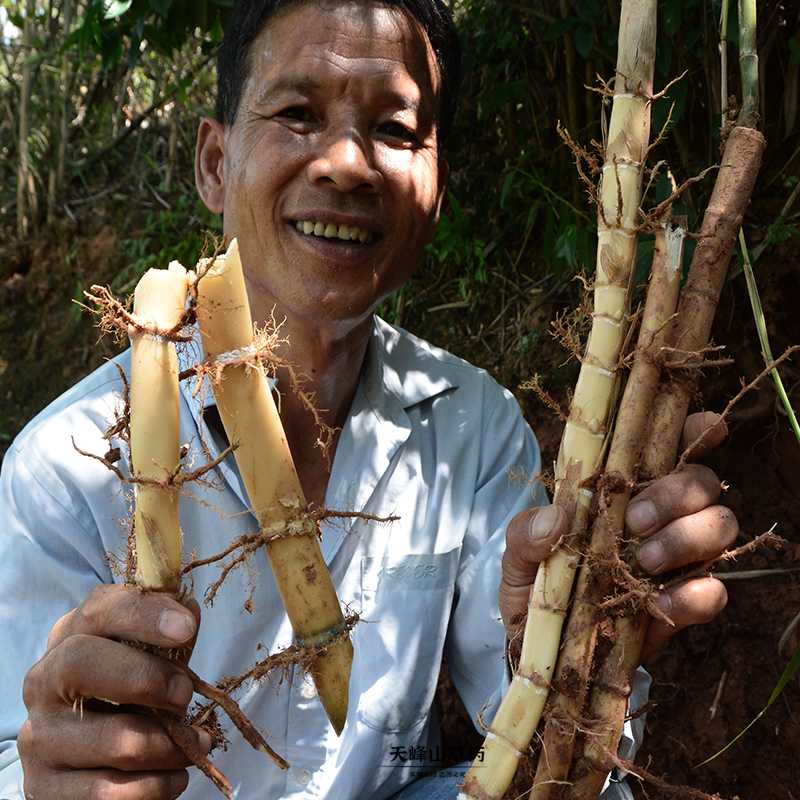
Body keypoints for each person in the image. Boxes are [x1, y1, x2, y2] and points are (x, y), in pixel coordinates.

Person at [0, 1, 737, 799]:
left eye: (394, 128)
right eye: (297, 113)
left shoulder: (474, 423)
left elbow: (535, 744)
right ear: (214, 163)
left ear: (437, 192)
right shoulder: (64, 468)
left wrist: (580, 641)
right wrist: (45, 774)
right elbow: (14, 752)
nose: (348, 162)